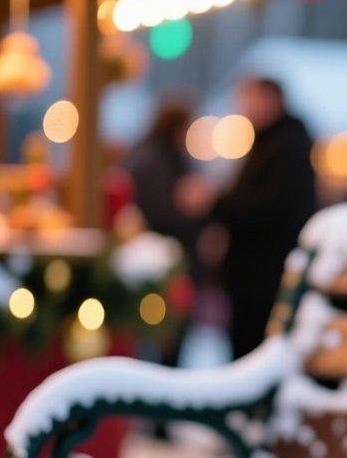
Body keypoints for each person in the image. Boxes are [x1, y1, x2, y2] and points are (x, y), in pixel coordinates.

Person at [179, 77, 317, 360]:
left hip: (264, 279)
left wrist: (214, 203)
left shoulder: (284, 147)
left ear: (272, 100)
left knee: (255, 354)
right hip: (257, 276)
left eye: (250, 99)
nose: (244, 108)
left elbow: (265, 209)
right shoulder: (273, 142)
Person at [123, 93, 204, 366]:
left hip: (170, 261)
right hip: (160, 263)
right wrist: (192, 207)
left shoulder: (162, 156)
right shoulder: (156, 160)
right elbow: (161, 211)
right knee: (162, 337)